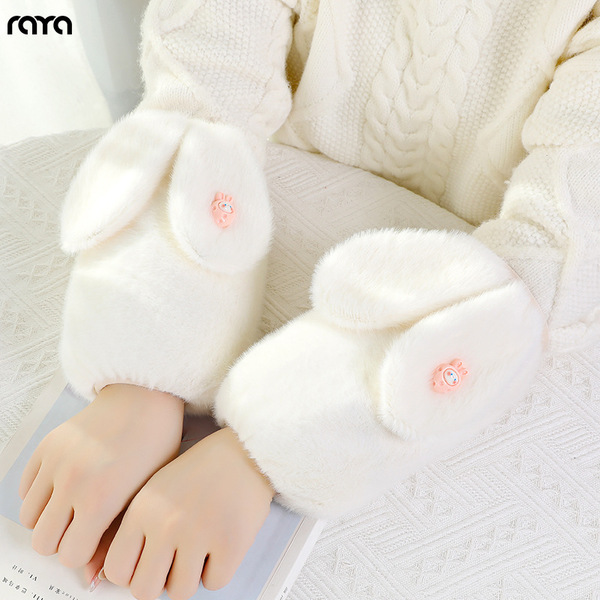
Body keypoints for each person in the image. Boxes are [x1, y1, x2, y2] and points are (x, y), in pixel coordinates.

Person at [18, 1, 600, 599]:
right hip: (273, 203)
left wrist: (272, 445)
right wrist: (143, 375)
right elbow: (204, 90)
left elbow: (550, 261)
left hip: (475, 346)